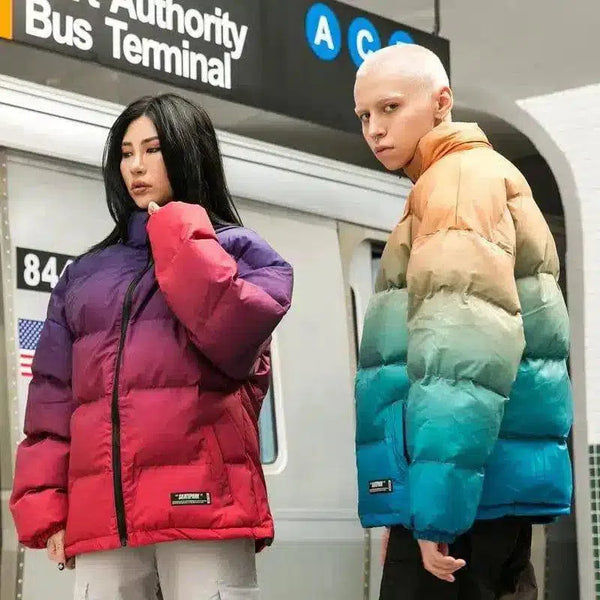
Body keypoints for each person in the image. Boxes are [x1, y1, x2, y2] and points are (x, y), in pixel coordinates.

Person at [10, 93, 293, 599]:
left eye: (153, 149)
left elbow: (231, 337)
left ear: (187, 152)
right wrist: (48, 506)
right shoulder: (83, 276)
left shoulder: (243, 254)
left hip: (205, 509)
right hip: (105, 519)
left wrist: (178, 231)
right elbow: (53, 399)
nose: (135, 166)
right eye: (125, 153)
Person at [353, 44, 572, 600]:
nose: (375, 129)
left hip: (465, 501)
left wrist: (436, 513)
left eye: (390, 107)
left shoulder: (454, 186)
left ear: (441, 101)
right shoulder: (480, 177)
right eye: (364, 115)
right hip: (488, 489)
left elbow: (460, 362)